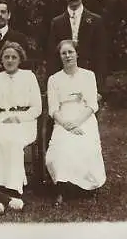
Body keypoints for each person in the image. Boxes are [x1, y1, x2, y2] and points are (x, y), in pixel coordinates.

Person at [0, 41, 42, 202]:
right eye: (6, 57)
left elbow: (37, 108)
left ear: (20, 59)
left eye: (14, 57)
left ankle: (13, 185)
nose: (10, 60)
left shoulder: (29, 76)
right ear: (1, 60)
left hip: (25, 121)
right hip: (2, 120)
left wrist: (19, 118)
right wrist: (2, 119)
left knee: (14, 141)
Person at [45, 40, 106, 206]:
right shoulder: (54, 79)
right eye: (63, 53)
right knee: (60, 147)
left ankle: (88, 186)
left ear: (77, 54)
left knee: (84, 144)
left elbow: (93, 104)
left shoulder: (88, 75)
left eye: (70, 52)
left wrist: (77, 123)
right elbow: (53, 109)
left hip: (84, 117)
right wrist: (65, 124)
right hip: (63, 118)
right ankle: (61, 187)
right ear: (59, 57)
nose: (67, 56)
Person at [46, 0, 107, 98]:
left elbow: (101, 55)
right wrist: (51, 86)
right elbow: (52, 56)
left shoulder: (95, 20)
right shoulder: (56, 22)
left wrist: (99, 88)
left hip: (88, 78)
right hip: (64, 79)